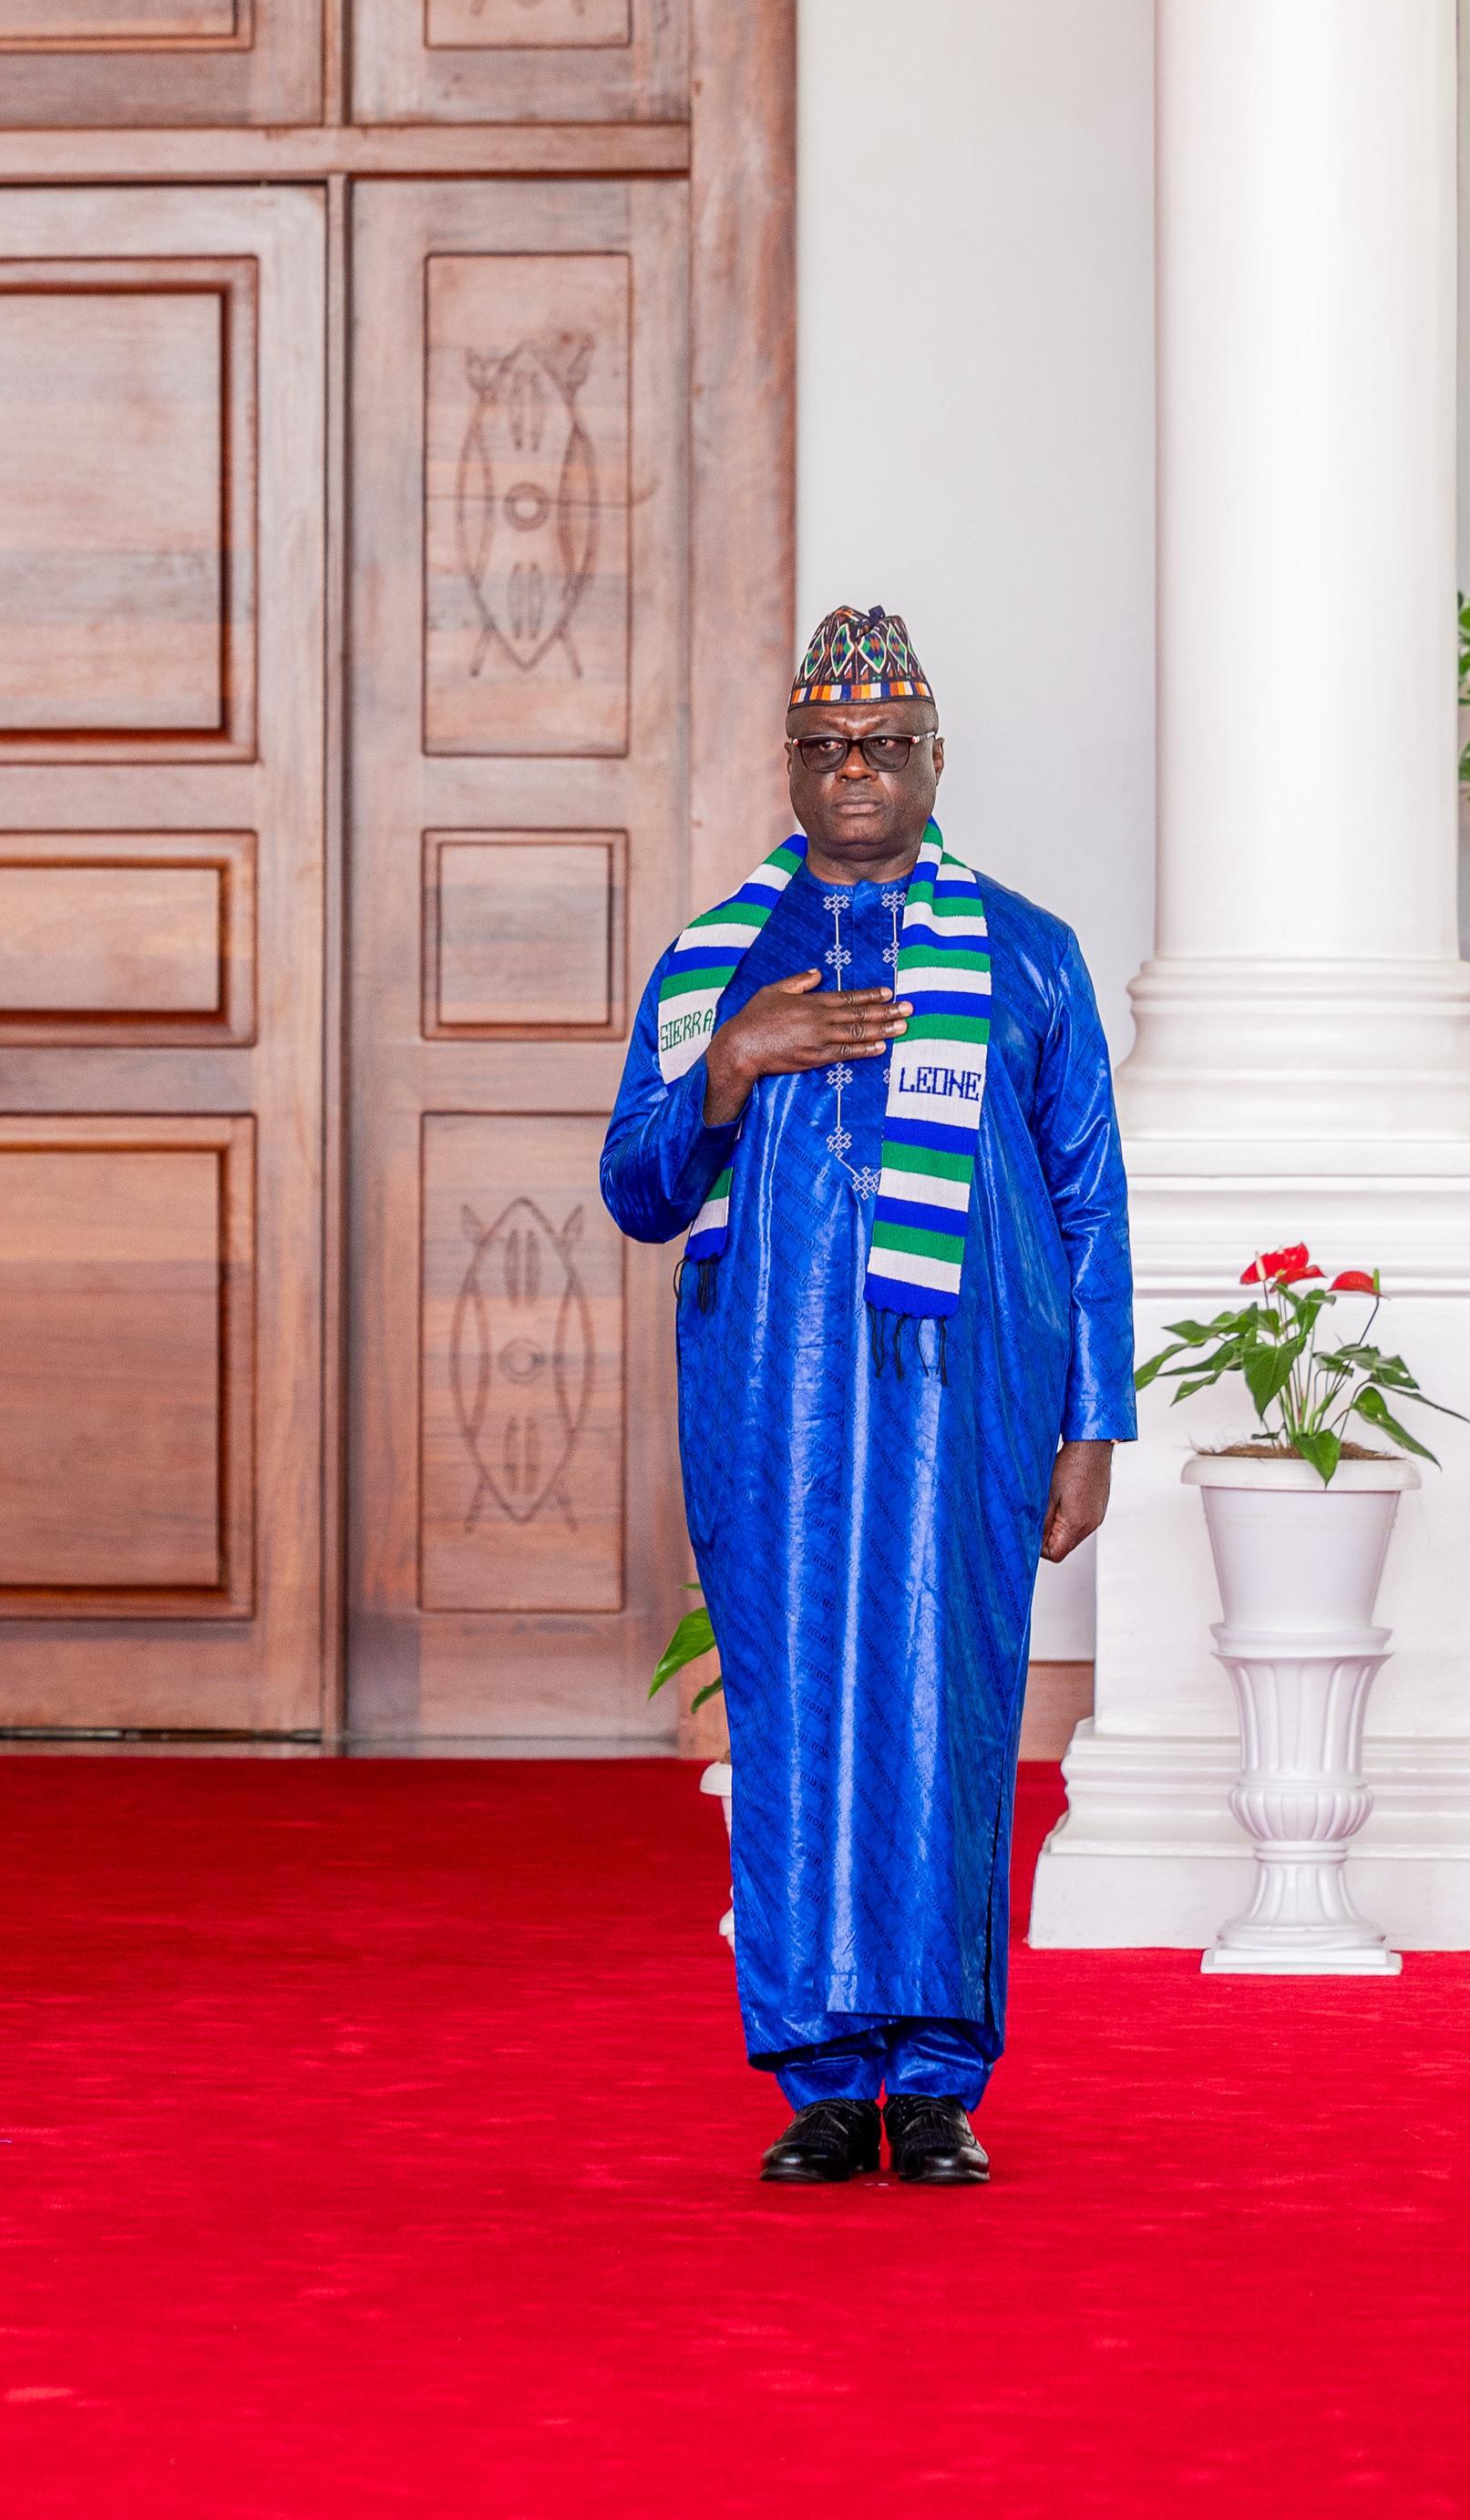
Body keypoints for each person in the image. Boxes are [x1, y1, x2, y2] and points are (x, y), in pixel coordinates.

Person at [601, 607, 1134, 2187]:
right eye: (827, 746)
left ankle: (942, 2079)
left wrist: (1093, 1421)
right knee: (791, 1715)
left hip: (970, 1395)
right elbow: (638, 1189)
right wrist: (729, 1065)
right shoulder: (714, 963)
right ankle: (825, 2079)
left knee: (952, 1711)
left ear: (934, 763)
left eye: (886, 746)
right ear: (790, 763)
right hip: (767, 1398)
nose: (856, 771)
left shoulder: (1028, 952)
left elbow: (1091, 1200)